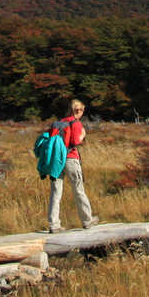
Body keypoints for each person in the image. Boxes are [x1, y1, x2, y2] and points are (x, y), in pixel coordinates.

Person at [47, 99, 99, 233]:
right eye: (81, 110)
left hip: (56, 161)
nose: (81, 112)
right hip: (70, 159)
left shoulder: (59, 123)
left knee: (55, 192)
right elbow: (75, 141)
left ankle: (54, 225)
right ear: (77, 110)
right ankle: (87, 220)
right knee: (78, 190)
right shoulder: (75, 123)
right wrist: (83, 135)